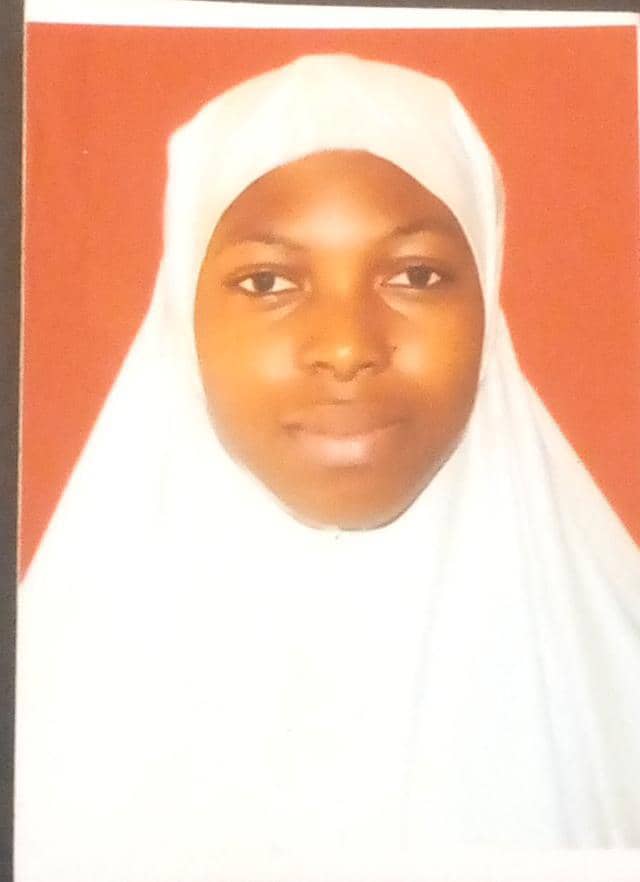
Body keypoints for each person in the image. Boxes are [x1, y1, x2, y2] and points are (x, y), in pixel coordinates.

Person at [15, 54, 640, 882]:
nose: (346, 346)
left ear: (488, 300)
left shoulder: (618, 685)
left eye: (416, 275)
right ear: (180, 316)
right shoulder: (40, 716)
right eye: (267, 281)